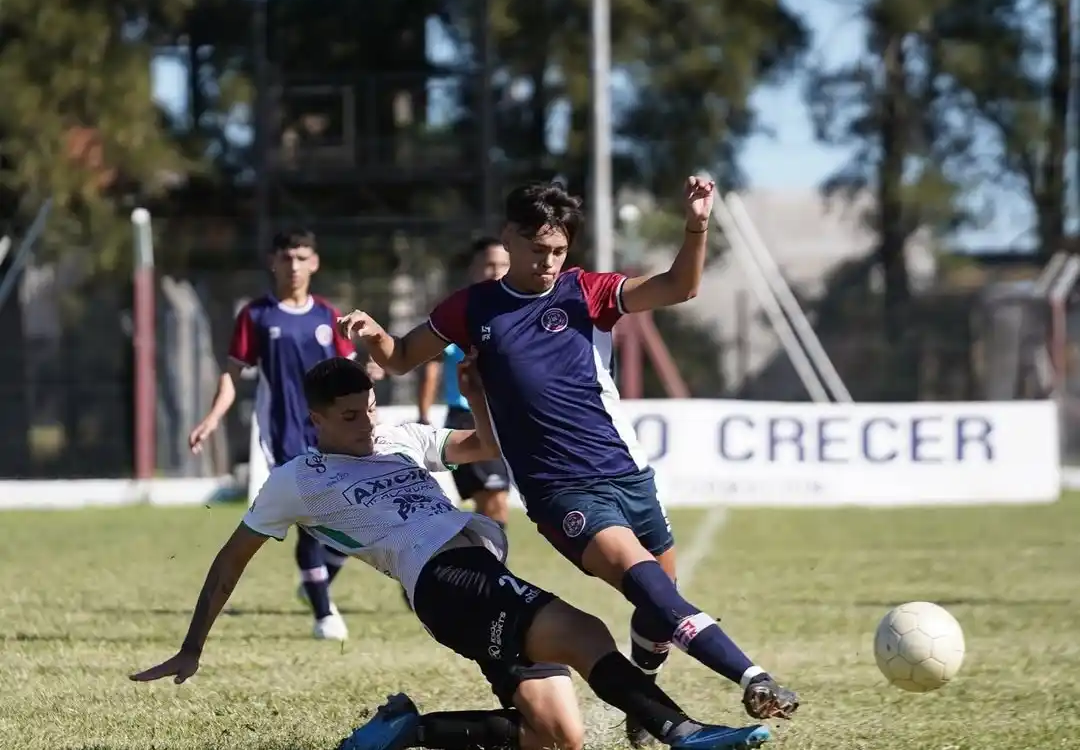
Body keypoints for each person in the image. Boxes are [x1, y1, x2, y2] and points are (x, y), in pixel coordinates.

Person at [336, 178, 799, 744]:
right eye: (538, 249)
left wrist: (697, 222)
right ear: (509, 237)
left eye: (559, 250)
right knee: (650, 587)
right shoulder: (473, 307)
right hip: (563, 493)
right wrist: (375, 334)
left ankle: (643, 709)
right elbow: (404, 357)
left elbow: (680, 286)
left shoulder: (587, 292)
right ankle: (753, 678)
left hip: (629, 474)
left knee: (658, 609)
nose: (550, 262)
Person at [130, 356, 772, 750]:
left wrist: (477, 390)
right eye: (350, 416)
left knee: (557, 740)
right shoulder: (295, 479)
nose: (367, 423)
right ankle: (683, 732)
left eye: (370, 408)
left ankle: (412, 730)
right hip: (444, 579)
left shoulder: (400, 437)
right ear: (317, 420)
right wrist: (193, 646)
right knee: (586, 631)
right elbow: (231, 560)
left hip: (476, 577)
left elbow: (485, 445)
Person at [188, 227, 381, 641]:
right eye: (286, 257)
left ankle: (317, 578)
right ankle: (324, 612)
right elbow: (233, 374)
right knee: (309, 516)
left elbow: (348, 376)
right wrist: (212, 418)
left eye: (301, 257)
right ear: (273, 262)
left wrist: (371, 378)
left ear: (314, 262)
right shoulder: (257, 315)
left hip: (331, 432)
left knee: (355, 512)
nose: (293, 265)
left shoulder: (327, 315)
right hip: (283, 433)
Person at [417, 237, 512, 528]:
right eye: (489, 265)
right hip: (467, 416)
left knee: (494, 504)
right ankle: (489, 570)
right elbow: (431, 366)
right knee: (493, 499)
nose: (496, 272)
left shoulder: (515, 311)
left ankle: (481, 567)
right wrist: (423, 414)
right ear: (474, 268)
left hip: (505, 415)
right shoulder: (458, 311)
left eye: (503, 265)